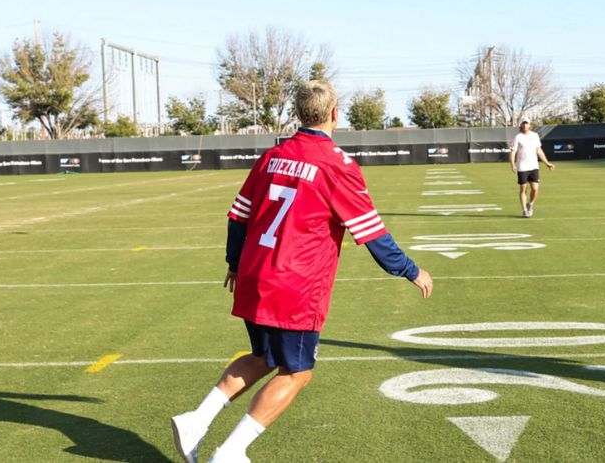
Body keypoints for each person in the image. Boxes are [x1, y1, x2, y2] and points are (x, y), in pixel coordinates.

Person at [171, 80, 433, 463]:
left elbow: (238, 217)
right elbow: (371, 233)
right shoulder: (335, 164)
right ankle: (230, 452)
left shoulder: (271, 156)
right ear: (333, 113)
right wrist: (410, 270)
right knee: (297, 373)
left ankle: (198, 419)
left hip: (253, 274)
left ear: (299, 113)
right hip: (294, 285)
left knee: (263, 357)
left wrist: (233, 262)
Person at [509, 117, 554, 217]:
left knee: (535, 189)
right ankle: (524, 210)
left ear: (530, 125)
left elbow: (539, 151)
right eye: (523, 123)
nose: (525, 125)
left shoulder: (535, 136)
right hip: (522, 167)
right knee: (523, 188)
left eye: (527, 123)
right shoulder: (518, 137)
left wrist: (547, 163)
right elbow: (513, 152)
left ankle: (530, 204)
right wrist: (513, 165)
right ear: (520, 125)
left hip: (534, 166)